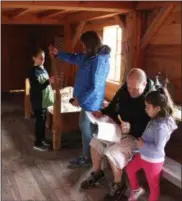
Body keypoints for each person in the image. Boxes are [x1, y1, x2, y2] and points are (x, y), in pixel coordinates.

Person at [80, 68, 155, 201]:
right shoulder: (126, 88)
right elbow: (115, 104)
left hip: (137, 137)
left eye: (135, 89)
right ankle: (98, 173)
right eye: (129, 87)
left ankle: (118, 185)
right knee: (95, 141)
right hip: (119, 130)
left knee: (112, 151)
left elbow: (151, 126)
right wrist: (103, 112)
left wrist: (132, 127)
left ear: (144, 84)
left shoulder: (152, 98)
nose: (131, 91)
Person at [49, 31, 111, 168]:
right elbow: (73, 58)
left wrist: (80, 99)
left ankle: (88, 157)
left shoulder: (99, 61)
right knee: (86, 127)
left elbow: (95, 86)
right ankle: (91, 156)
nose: (82, 47)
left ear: (90, 44)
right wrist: (58, 53)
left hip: (91, 101)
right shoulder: (89, 56)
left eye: (84, 44)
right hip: (86, 100)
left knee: (86, 127)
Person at [126, 88, 177, 201]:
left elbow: (158, 148)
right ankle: (136, 189)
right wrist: (138, 149)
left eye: (148, 107)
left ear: (157, 108)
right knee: (130, 169)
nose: (145, 109)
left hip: (153, 161)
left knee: (153, 187)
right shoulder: (156, 118)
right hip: (143, 155)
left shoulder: (161, 127)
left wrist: (143, 145)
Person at [29, 48, 56, 151]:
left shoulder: (43, 69)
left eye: (44, 58)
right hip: (37, 100)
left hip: (44, 100)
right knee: (39, 121)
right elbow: (37, 87)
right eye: (40, 58)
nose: (42, 60)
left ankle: (42, 138)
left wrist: (50, 81)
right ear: (34, 58)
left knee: (43, 120)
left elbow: (46, 83)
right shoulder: (33, 72)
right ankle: (38, 143)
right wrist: (48, 81)